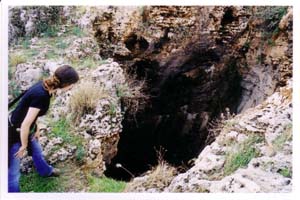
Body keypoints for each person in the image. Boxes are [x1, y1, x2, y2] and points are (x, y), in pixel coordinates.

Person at [8, 65, 79, 192]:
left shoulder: (46, 87)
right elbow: (24, 124)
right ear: (66, 84)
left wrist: (37, 127)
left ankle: (46, 171)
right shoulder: (42, 95)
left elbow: (32, 112)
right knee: (13, 174)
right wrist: (23, 146)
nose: (73, 87)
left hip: (27, 129)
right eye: (72, 84)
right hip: (15, 133)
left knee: (37, 152)